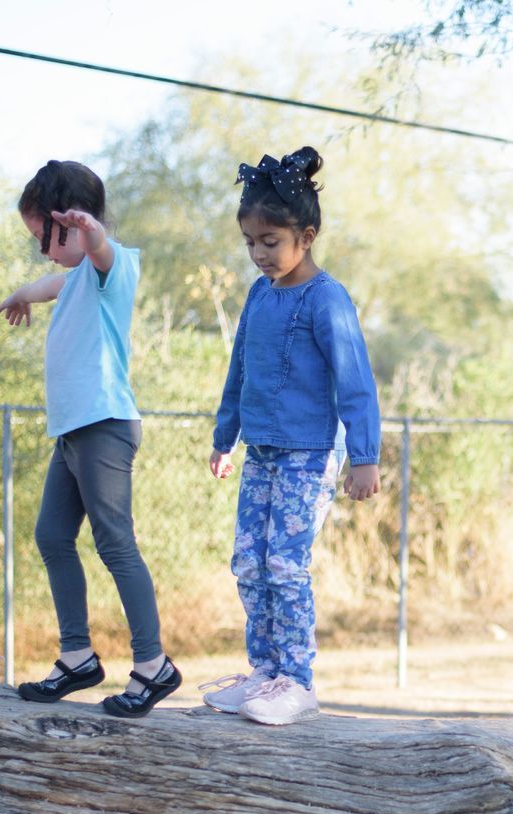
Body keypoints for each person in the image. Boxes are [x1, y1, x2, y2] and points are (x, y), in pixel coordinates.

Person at [199, 148, 381, 727]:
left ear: (306, 235)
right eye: (251, 241)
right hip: (261, 454)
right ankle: (263, 673)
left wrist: (364, 456)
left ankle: (296, 682)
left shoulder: (326, 298)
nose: (258, 253)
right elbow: (240, 370)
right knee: (248, 562)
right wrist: (224, 437)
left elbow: (355, 379)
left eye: (270, 241)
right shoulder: (259, 294)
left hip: (308, 457)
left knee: (285, 564)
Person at [0, 160, 180, 717]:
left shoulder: (111, 264)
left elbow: (99, 250)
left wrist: (90, 230)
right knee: (52, 536)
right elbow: (53, 282)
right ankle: (76, 656)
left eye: (43, 239)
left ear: (72, 226)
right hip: (74, 433)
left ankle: (154, 666)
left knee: (114, 542)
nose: (43, 253)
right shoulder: (74, 276)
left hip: (104, 426)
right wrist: (24, 293)